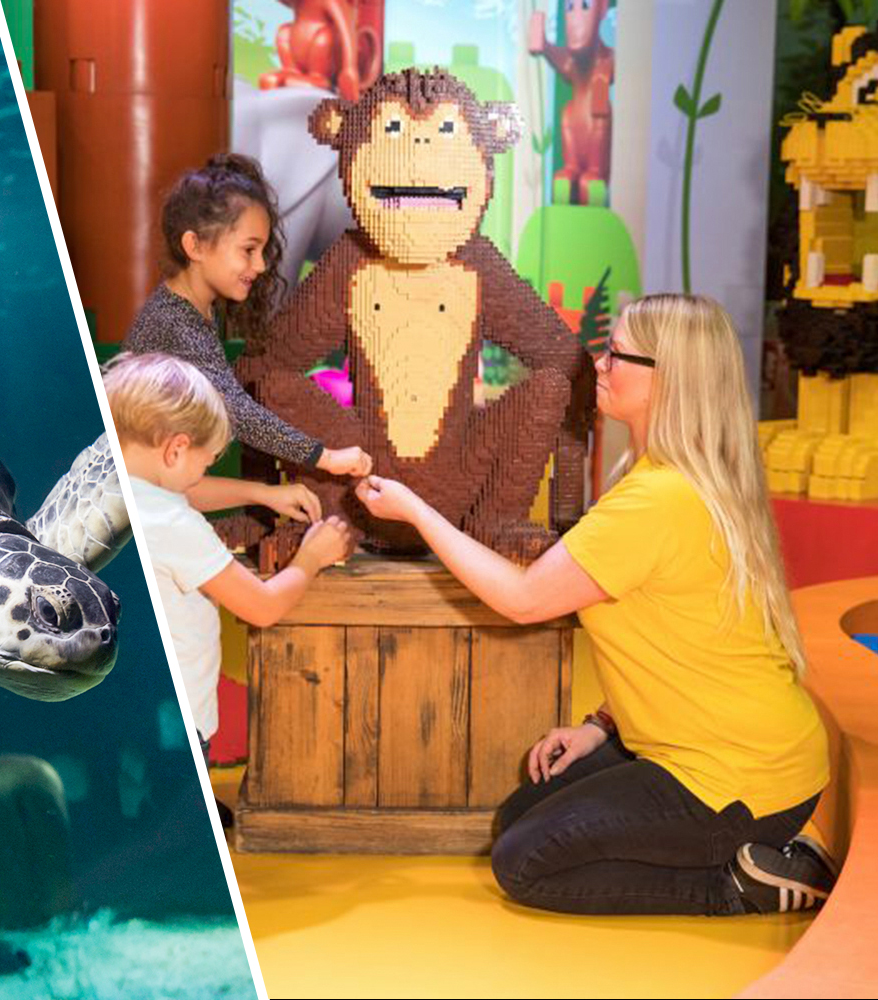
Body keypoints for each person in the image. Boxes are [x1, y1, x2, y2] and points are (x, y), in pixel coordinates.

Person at [354, 293, 835, 915]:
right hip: (727, 753)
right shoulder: (668, 477)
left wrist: (417, 512)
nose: (599, 365)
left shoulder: (657, 499)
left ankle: (741, 885)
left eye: (616, 355)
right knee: (522, 813)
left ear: (669, 376)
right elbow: (679, 633)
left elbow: (524, 600)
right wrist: (598, 727)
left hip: (736, 780)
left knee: (523, 864)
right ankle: (749, 847)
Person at [103, 352, 354, 822]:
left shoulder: (123, 487)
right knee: (171, 823)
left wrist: (265, 494)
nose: (204, 474)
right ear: (175, 449)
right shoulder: (174, 523)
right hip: (177, 725)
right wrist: (312, 558)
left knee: (145, 799)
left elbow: (184, 488)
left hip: (137, 704)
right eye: (206, 461)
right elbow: (260, 606)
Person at [123, 153, 372, 479]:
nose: (261, 265)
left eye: (262, 250)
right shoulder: (176, 323)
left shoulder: (198, 309)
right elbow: (239, 413)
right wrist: (326, 457)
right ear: (195, 246)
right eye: (248, 250)